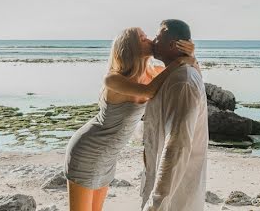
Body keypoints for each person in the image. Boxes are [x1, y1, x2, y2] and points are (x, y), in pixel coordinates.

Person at [65, 27, 196, 211]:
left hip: (109, 155)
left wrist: (190, 56)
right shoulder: (112, 79)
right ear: (130, 47)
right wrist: (182, 61)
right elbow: (149, 91)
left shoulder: (154, 73)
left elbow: (190, 77)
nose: (150, 40)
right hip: (88, 150)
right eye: (143, 38)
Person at [140, 19, 208, 211]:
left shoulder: (182, 82)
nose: (153, 41)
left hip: (174, 198)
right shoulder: (173, 75)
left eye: (157, 37)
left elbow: (177, 145)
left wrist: (157, 203)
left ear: (172, 44)